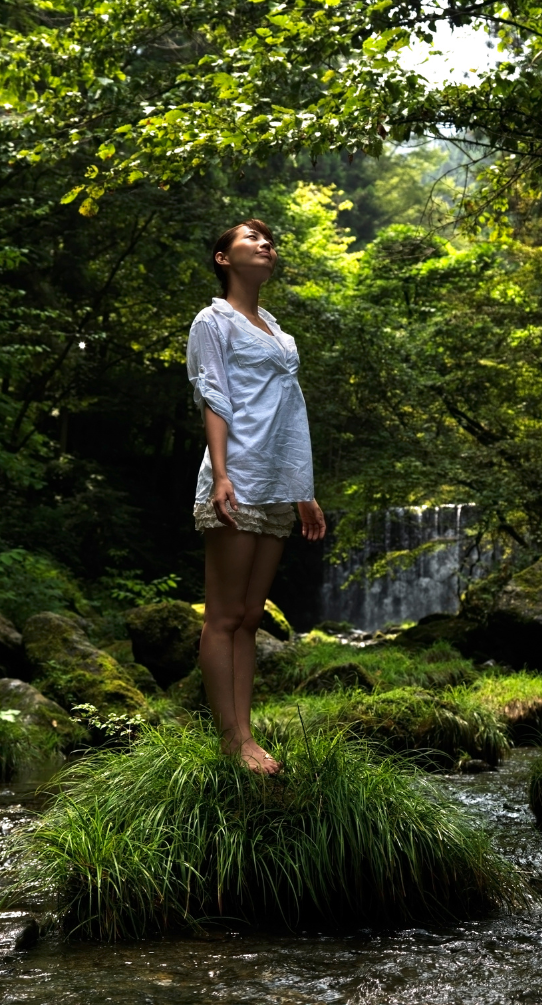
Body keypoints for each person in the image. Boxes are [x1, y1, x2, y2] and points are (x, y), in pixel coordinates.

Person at [187, 219, 326, 775]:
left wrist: (303, 492)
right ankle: (232, 741)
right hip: (238, 475)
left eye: (269, 242)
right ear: (223, 258)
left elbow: (291, 415)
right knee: (222, 616)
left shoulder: (276, 329)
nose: (266, 246)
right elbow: (213, 397)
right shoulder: (212, 320)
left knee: (249, 617)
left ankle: (247, 734)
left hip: (277, 487)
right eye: (251, 239)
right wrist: (221, 475)